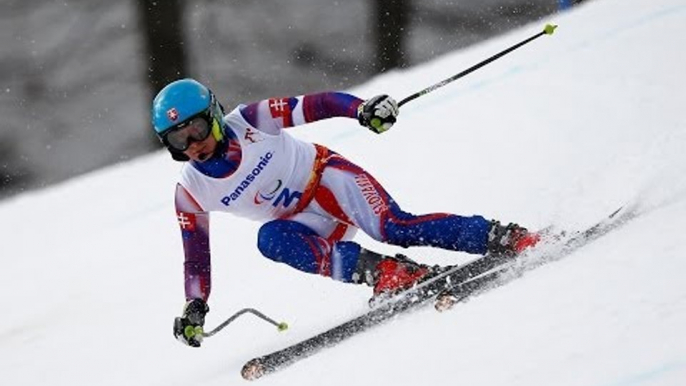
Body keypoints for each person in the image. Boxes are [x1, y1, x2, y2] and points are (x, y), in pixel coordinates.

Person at [151, 79, 541, 348]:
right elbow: (196, 257)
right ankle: (393, 275)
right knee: (269, 240)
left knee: (394, 227)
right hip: (303, 224)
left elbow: (316, 105)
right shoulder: (191, 191)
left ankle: (502, 236)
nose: (192, 145)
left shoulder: (251, 120)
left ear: (215, 115)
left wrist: (362, 110)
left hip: (327, 181)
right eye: (178, 140)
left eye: (197, 129)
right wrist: (195, 305)